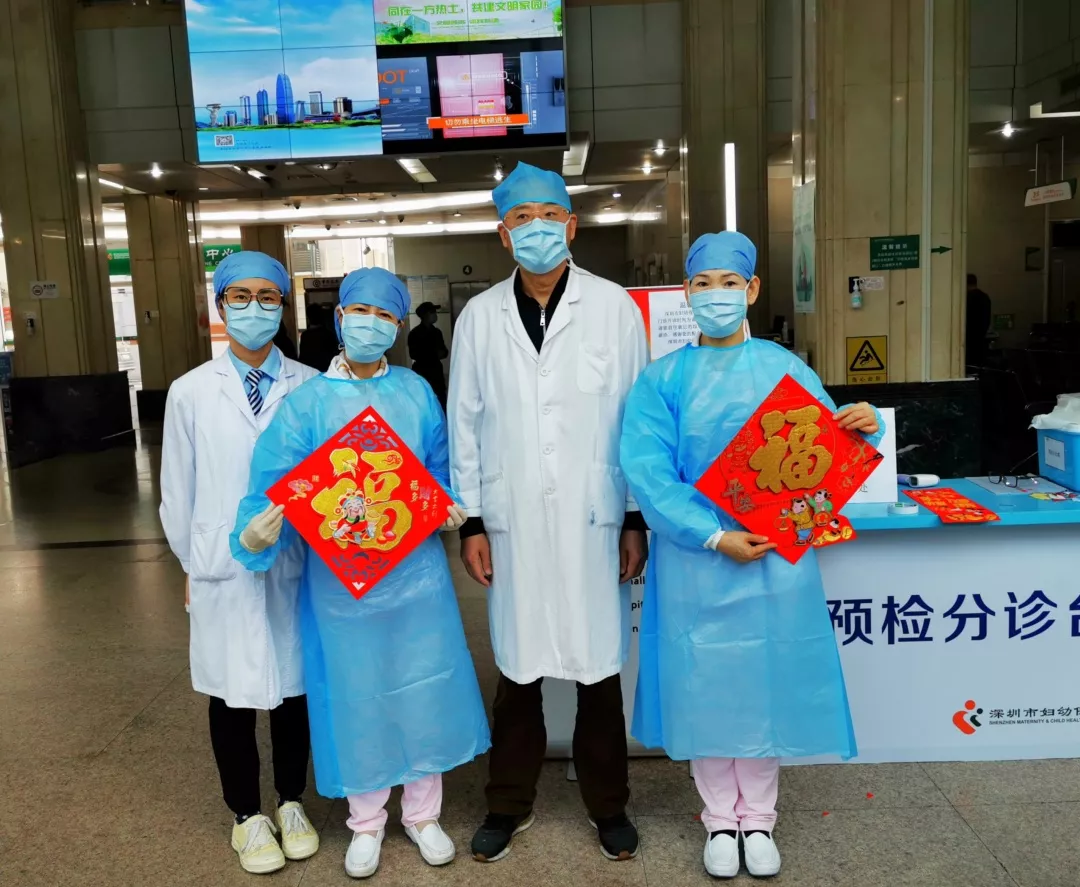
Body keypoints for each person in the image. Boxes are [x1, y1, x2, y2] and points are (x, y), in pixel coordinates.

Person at [619, 231, 884, 880]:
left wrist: (861, 424)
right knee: (706, 685)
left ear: (752, 289)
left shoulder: (785, 369)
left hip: (773, 558)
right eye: (703, 284)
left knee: (764, 683)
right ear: (687, 292)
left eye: (729, 283)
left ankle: (758, 819)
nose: (716, 295)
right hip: (697, 560)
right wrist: (711, 534)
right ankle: (719, 819)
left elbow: (820, 452)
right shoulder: (662, 380)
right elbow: (648, 471)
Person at [230, 267, 491, 880]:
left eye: (384, 314)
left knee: (423, 685)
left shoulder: (416, 392)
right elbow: (272, 483)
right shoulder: (307, 404)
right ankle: (366, 820)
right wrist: (253, 533)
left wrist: (448, 503)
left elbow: (439, 465)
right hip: (341, 583)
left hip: (416, 576)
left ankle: (423, 815)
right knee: (356, 692)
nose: (370, 324)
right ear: (340, 317)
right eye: (360, 312)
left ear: (398, 325)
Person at [448, 161, 648, 863]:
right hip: (513, 524)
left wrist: (634, 517)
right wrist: (473, 521)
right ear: (503, 235)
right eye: (521, 218)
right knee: (518, 670)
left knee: (598, 673)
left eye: (549, 216)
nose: (537, 229)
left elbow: (637, 421)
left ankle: (609, 806)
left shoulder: (614, 308)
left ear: (572, 225)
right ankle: (507, 804)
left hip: (596, 517)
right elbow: (464, 422)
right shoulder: (480, 317)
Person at [159, 251, 321, 875]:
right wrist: (194, 563)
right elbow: (178, 491)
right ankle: (246, 816)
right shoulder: (191, 392)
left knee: (292, 688)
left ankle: (291, 802)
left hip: (296, 563)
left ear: (283, 305)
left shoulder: (311, 386)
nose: (255, 308)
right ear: (220, 305)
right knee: (230, 692)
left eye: (268, 296)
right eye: (240, 296)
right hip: (220, 567)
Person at [408, 301, 449, 409]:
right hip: (423, 372)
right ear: (425, 315)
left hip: (437, 373)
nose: (435, 315)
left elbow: (444, 351)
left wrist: (442, 353)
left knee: (440, 402)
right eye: (432, 312)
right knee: (424, 402)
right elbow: (413, 354)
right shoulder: (415, 333)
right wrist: (433, 354)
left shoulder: (437, 332)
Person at [299, 302, 341, 372]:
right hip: (326, 371)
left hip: (310, 372)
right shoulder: (328, 334)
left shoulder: (305, 336)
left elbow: (302, 358)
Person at [966, 273, 992, 368]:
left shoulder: (966, 298)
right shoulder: (985, 297)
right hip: (981, 339)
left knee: (969, 367)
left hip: (968, 340)